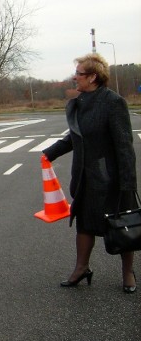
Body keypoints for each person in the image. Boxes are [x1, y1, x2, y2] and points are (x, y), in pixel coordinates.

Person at [42, 53, 137, 293]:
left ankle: (128, 273)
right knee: (84, 224)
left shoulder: (113, 102)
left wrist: (128, 182)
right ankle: (81, 268)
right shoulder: (80, 103)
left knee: (121, 223)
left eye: (80, 74)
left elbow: (124, 145)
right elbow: (74, 137)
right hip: (85, 177)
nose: (75, 77)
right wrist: (49, 153)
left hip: (111, 178)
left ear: (93, 77)